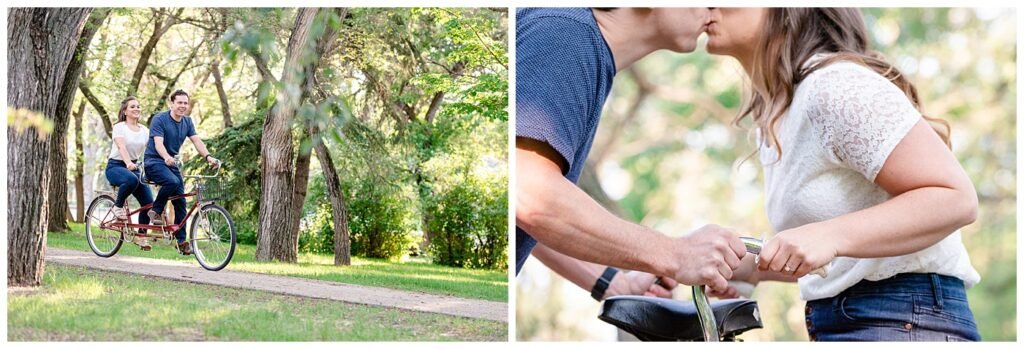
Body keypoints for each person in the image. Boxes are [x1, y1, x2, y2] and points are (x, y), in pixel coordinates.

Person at [705, 8, 981, 341]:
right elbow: (849, 254)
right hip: (848, 320)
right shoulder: (780, 115)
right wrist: (750, 267)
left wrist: (829, 235)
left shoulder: (833, 87)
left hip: (902, 318)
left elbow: (956, 198)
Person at [516, 7, 747, 301]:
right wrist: (676, 254)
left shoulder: (576, 42)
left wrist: (613, 283)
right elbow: (528, 193)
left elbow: (526, 210)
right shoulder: (565, 36)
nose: (715, 7)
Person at [144, 89, 220, 255]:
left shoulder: (187, 122)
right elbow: (158, 144)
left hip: (169, 164)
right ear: (171, 103)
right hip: (153, 162)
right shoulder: (160, 119)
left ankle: (181, 241)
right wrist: (165, 157)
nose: (183, 106)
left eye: (185, 103)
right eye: (179, 102)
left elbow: (197, 141)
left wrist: (208, 157)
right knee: (172, 182)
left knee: (180, 201)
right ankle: (155, 210)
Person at [104, 96, 154, 250]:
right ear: (125, 111)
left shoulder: (145, 130)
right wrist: (128, 163)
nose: (136, 109)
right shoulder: (120, 127)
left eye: (138, 106)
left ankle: (141, 236)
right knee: (131, 180)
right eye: (132, 107)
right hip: (116, 166)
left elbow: (151, 151)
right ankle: (117, 207)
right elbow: (121, 147)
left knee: (149, 204)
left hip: (134, 167)